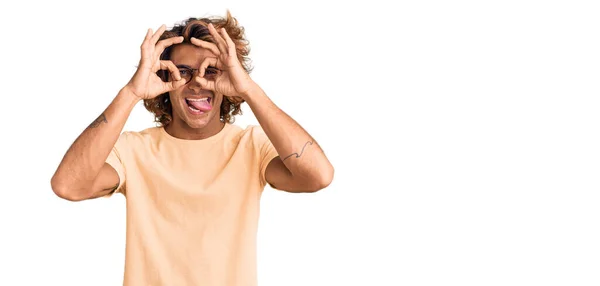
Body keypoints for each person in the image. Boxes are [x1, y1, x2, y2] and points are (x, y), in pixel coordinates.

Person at [50, 11, 334, 286]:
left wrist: (248, 89)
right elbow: (68, 185)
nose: (198, 82)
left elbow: (318, 176)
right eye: (183, 72)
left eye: (211, 71)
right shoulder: (133, 150)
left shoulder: (251, 146)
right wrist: (131, 92)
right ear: (164, 79)